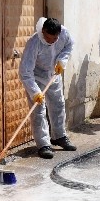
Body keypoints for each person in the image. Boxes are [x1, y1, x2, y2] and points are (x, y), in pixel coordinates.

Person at [19, 17, 76, 159]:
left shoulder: (64, 33)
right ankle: (43, 144)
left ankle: (59, 136)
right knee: (38, 111)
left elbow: (69, 46)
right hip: (36, 78)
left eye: (54, 39)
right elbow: (25, 71)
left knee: (58, 105)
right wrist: (34, 92)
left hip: (53, 74)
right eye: (48, 38)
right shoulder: (34, 42)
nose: (51, 41)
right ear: (43, 31)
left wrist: (62, 61)